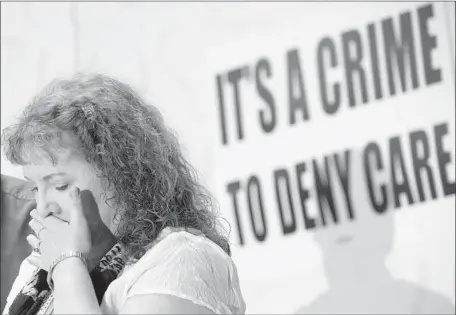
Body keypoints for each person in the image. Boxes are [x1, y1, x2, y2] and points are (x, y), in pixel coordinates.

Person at [2, 73, 246, 315]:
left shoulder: (182, 259)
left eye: (60, 185)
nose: (43, 207)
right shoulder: (38, 270)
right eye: (35, 187)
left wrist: (67, 267)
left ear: (121, 174)